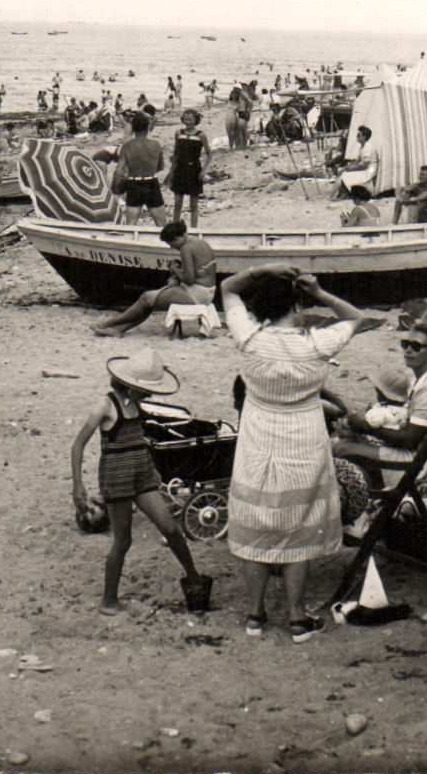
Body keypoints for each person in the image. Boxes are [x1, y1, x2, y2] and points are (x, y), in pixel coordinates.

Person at [221, 263, 369, 641]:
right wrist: (319, 292)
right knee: (298, 528)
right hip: (302, 439)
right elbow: (355, 316)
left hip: (258, 439)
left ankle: (255, 615)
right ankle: (297, 617)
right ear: (297, 306)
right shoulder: (316, 344)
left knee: (256, 523)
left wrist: (261, 269)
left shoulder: (250, 338)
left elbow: (227, 288)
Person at [69, 349, 203, 615]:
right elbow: (77, 445)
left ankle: (195, 578)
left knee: (171, 528)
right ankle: (109, 600)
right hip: (117, 478)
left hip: (141, 472)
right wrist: (78, 486)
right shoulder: (106, 405)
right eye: (144, 389)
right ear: (129, 385)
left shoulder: (136, 405)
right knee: (123, 541)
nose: (148, 394)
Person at [331, 318, 427, 482]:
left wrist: (367, 428)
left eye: (416, 347)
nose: (408, 350)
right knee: (349, 441)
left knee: (343, 449)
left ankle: (363, 491)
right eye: (405, 344)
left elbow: (411, 439)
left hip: (423, 458)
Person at [92, 220, 217, 337]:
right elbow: (199, 271)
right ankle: (118, 329)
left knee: (147, 298)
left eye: (170, 243)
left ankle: (109, 323)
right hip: (207, 292)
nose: (171, 247)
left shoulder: (186, 248)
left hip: (196, 293)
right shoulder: (200, 242)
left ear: (177, 238)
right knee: (149, 301)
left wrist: (175, 269)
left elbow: (189, 279)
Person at [116, 112, 168, 226]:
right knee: (161, 223)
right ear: (147, 128)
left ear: (133, 129)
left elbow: (119, 170)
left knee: (131, 223)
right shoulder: (156, 145)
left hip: (134, 183)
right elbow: (161, 167)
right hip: (151, 183)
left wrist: (116, 187)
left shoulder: (127, 146)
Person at [167, 108, 210, 227]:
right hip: (180, 169)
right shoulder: (178, 133)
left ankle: (194, 229)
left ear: (196, 120)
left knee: (193, 204)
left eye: (190, 120)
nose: (187, 122)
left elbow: (209, 154)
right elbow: (175, 153)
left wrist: (203, 171)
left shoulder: (201, 135)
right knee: (177, 202)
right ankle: (175, 228)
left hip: (194, 170)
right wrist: (171, 172)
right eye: (185, 119)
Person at [337, 126, 378, 195]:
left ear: (364, 137)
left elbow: (365, 165)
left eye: (358, 135)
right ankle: (342, 193)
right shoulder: (362, 147)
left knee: (345, 175)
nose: (357, 136)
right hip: (366, 169)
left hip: (370, 171)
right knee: (344, 172)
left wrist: (351, 169)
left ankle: (342, 194)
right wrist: (347, 167)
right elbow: (357, 160)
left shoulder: (368, 148)